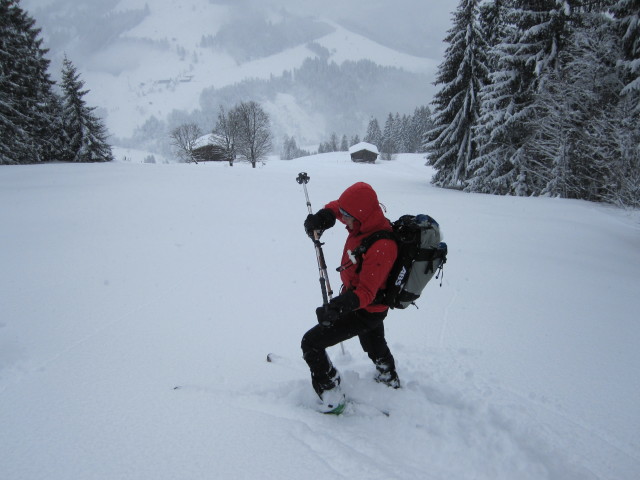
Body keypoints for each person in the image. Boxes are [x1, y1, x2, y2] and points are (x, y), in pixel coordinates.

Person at [301, 181, 400, 411]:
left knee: (311, 343)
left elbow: (366, 292)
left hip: (365, 308)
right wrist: (324, 216)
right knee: (374, 345)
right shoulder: (364, 220)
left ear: (361, 215)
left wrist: (337, 307)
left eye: (347, 215)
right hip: (368, 307)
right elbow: (339, 207)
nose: (342, 218)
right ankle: (389, 378)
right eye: (343, 214)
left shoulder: (382, 246)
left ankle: (332, 393)